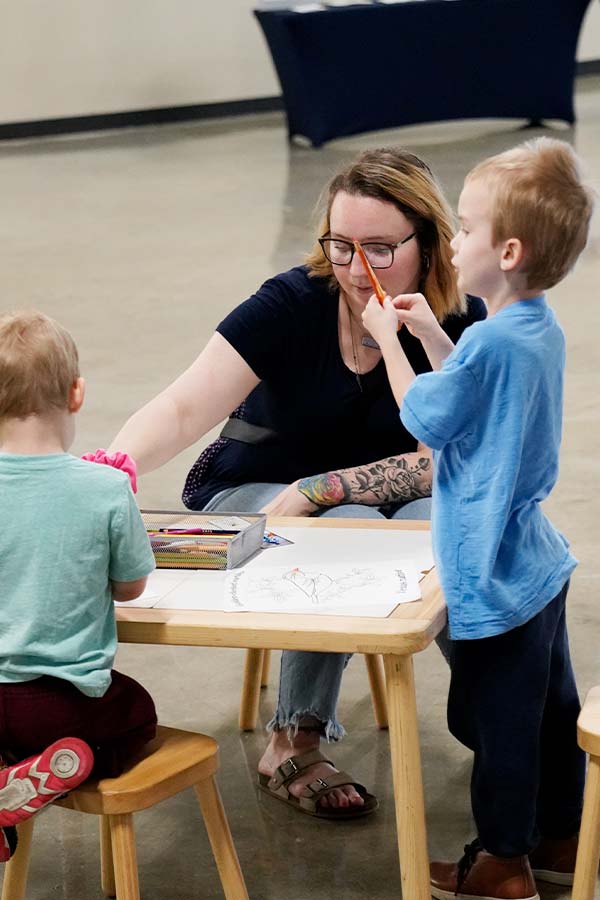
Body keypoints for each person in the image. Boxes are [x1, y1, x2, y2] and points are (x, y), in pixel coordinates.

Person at [107, 148, 486, 817]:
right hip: (257, 487)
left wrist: (327, 485)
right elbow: (183, 406)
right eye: (341, 246)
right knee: (349, 536)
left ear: (429, 243)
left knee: (451, 521)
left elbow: (461, 460)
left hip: (349, 492)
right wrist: (115, 470)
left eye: (379, 247)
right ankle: (294, 738)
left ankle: (499, 719)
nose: (355, 269)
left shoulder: (457, 320)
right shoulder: (291, 302)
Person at [362, 137, 594, 898]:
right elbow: (471, 384)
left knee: (498, 732)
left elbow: (429, 417)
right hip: (538, 562)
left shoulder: (490, 343)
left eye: (464, 228)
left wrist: (391, 343)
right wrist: (432, 332)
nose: (452, 241)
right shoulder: (533, 327)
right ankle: (564, 832)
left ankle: (502, 862)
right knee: (553, 711)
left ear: (511, 249)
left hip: (491, 570)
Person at [0, 311, 157, 860]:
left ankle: (7, 777)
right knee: (137, 715)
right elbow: (131, 586)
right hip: (60, 700)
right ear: (76, 394)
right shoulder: (106, 487)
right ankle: (57, 764)